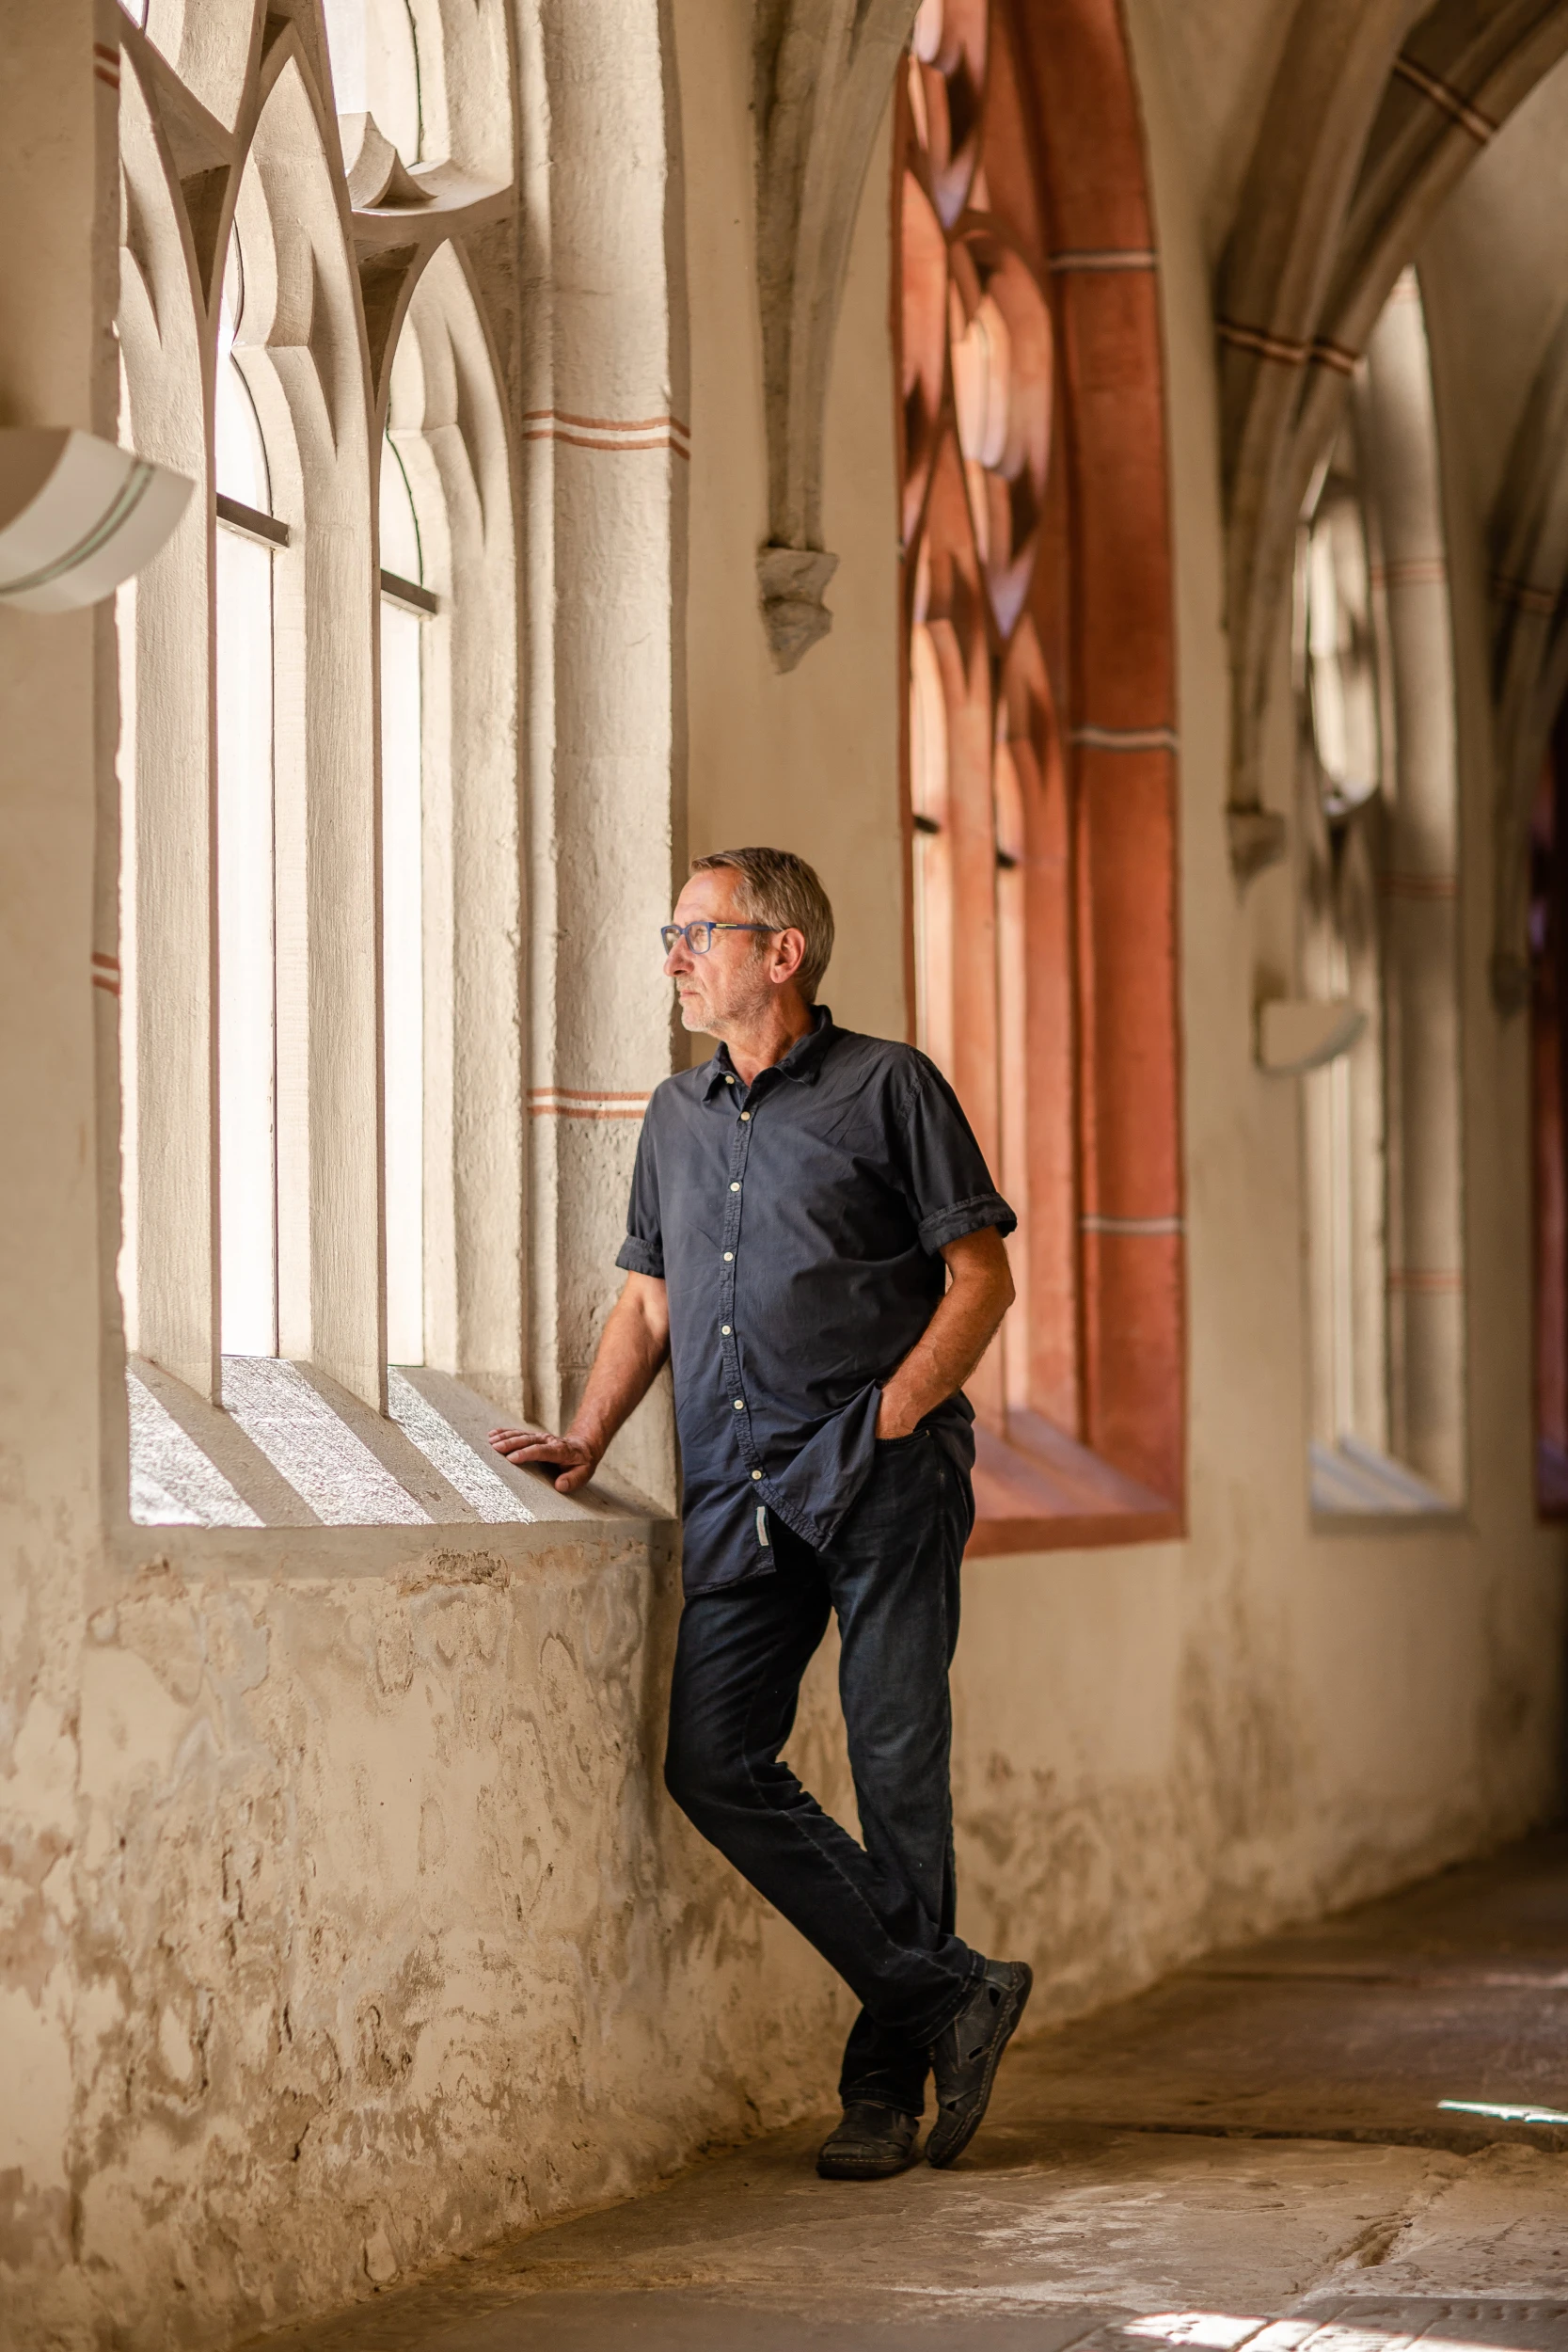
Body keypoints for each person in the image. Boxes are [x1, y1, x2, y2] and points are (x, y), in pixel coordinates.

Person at [489, 846, 1030, 2179]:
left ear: (779, 952)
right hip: (737, 1491)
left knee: (897, 1770)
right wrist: (587, 1432)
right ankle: (947, 1990)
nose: (673, 955)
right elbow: (650, 1302)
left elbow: (978, 1278)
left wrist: (896, 1413)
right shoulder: (673, 1117)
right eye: (669, 932)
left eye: (696, 931)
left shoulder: (887, 1085)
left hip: (883, 1481)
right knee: (712, 1761)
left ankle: (876, 2097)